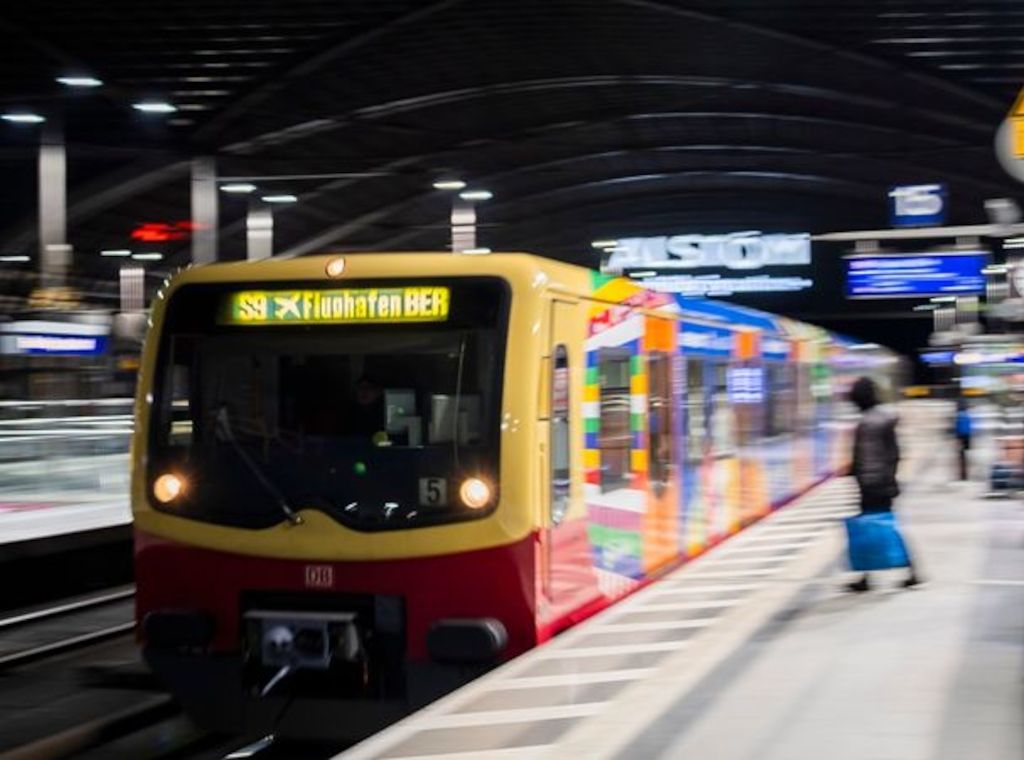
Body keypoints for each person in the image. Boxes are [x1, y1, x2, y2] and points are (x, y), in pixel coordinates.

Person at [846, 376, 921, 592]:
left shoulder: (868, 423)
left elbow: (866, 458)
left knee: (874, 528)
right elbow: (893, 454)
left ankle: (909, 571)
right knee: (878, 526)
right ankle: (871, 575)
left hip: (872, 484)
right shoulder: (882, 419)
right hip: (882, 482)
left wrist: (860, 477)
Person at [953, 398, 973, 481]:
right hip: (967, 436)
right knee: (965, 455)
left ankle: (963, 475)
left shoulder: (958, 416)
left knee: (961, 455)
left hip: (961, 436)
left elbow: (956, 427)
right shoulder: (967, 415)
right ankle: (965, 474)